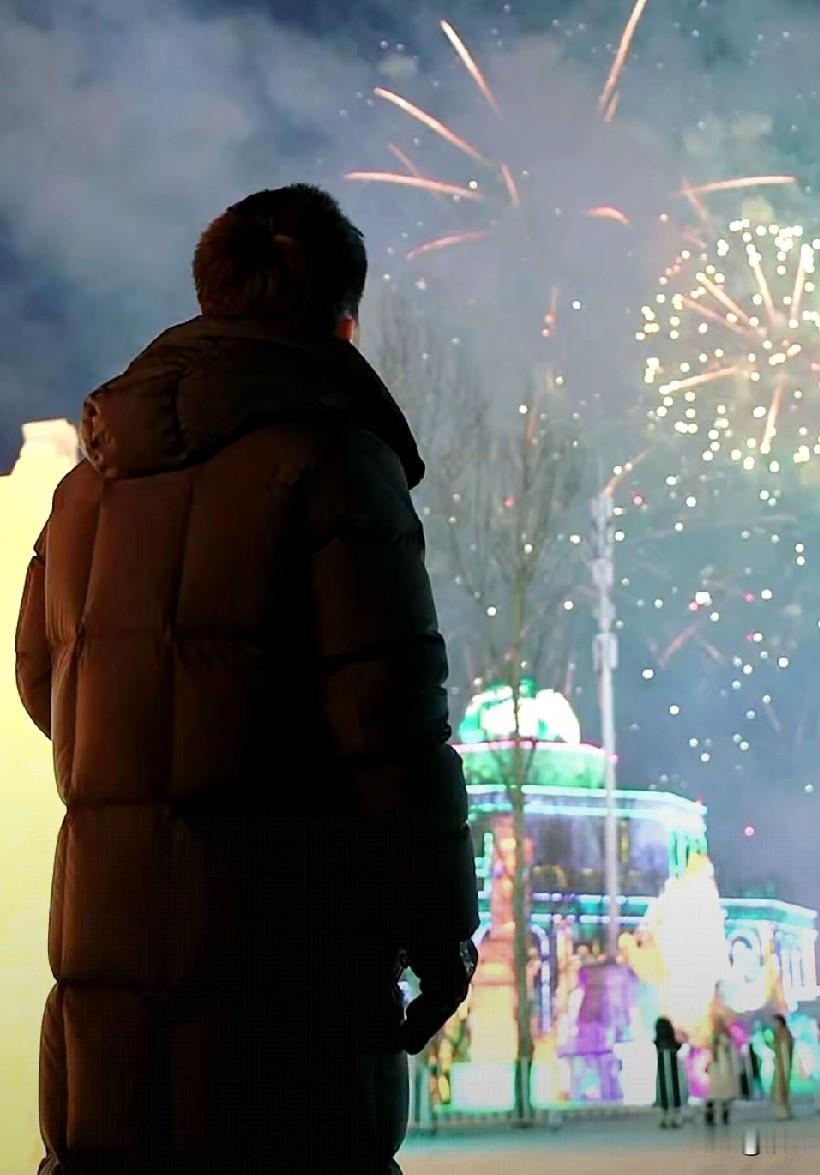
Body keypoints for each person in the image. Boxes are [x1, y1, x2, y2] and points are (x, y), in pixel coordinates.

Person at [15, 184, 479, 1175]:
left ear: (210, 295)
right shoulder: (334, 465)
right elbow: (393, 733)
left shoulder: (87, 485)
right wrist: (441, 934)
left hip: (107, 1016)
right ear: (343, 323)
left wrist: (149, 780)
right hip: (288, 992)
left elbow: (39, 681)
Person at [704, 1014, 737, 1126]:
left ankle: (724, 1115)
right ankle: (710, 1116)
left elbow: (728, 1051)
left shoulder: (725, 1038)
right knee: (713, 1093)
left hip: (724, 1068)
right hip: (716, 1068)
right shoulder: (713, 1038)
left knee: (724, 1094)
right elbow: (712, 1053)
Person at [654, 1016, 684, 1128]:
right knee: (673, 1089)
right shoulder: (671, 1044)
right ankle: (675, 1115)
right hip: (671, 1068)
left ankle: (666, 1115)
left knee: (666, 1089)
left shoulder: (659, 1043)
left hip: (666, 1068)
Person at [771, 1014, 794, 1119]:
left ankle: (785, 1111)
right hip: (778, 1064)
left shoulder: (785, 1033)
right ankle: (782, 1111)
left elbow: (786, 1048)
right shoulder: (777, 1034)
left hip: (784, 1065)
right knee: (778, 1088)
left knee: (783, 1087)